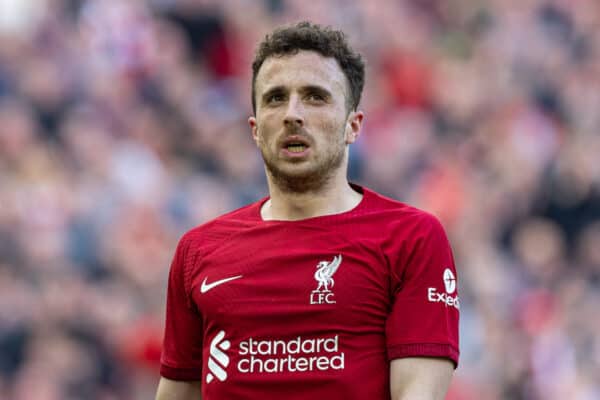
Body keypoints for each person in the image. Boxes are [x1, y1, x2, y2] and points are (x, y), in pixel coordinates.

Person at [155, 21, 459, 400]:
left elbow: (418, 393)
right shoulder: (197, 251)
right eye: (275, 98)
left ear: (353, 125)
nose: (292, 114)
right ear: (254, 128)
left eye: (315, 96)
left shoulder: (410, 237)